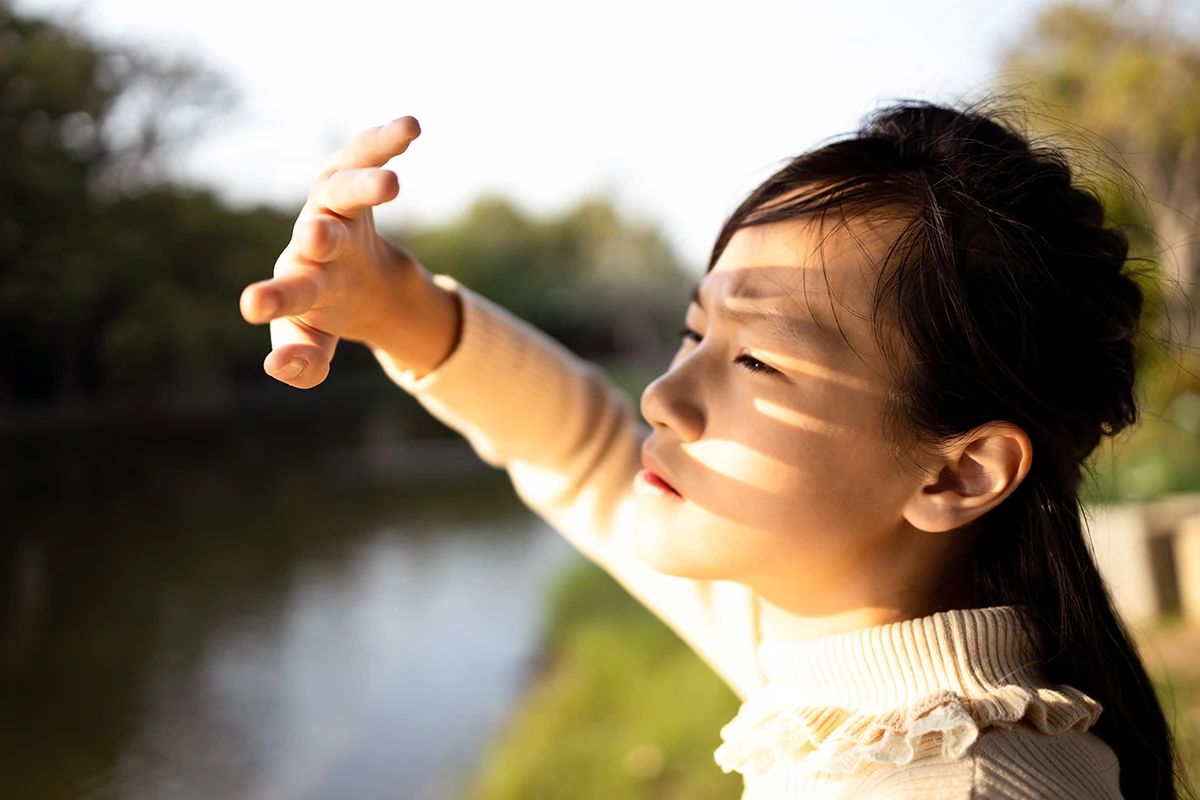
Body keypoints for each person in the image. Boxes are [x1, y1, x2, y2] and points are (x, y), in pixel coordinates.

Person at [239, 102, 1187, 799]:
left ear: (956, 471)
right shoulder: (842, 673)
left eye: (759, 362)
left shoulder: (944, 780)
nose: (663, 396)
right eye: (695, 335)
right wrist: (388, 304)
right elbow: (585, 452)